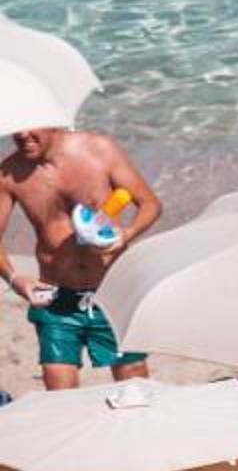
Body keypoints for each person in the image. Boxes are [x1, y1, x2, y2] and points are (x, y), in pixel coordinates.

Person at [2, 125, 165, 390]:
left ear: (52, 122)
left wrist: (127, 234)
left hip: (111, 293)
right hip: (55, 299)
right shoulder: (8, 173)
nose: (22, 136)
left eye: (30, 128)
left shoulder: (100, 150)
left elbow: (149, 204)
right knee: (59, 394)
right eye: (17, 129)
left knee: (134, 389)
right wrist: (14, 278)